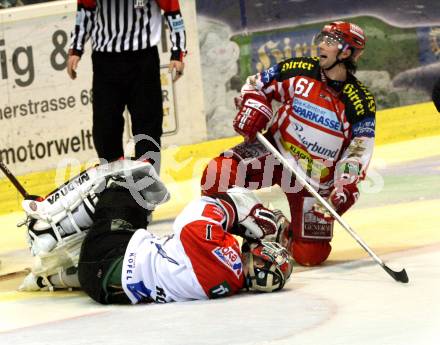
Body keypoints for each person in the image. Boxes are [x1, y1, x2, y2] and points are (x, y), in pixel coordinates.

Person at [201, 21, 376, 267]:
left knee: (310, 256)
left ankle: (280, 231)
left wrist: (344, 188)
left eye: (331, 41)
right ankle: (246, 229)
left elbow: (357, 152)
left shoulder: (360, 103)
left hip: (313, 179)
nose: (321, 45)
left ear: (346, 52)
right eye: (322, 39)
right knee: (217, 174)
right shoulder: (299, 68)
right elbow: (255, 85)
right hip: (275, 154)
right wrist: (253, 105)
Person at [19, 160, 294, 304]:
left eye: (270, 253)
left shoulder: (228, 260)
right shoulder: (228, 283)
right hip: (104, 286)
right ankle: (49, 278)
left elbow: (193, 216)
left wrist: (243, 213)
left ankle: (45, 228)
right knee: (144, 234)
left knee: (130, 181)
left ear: (259, 263)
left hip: (107, 256)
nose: (266, 248)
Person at [67, 0, 187, 163]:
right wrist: (76, 48)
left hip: (143, 60)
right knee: (105, 127)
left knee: (148, 126)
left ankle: (147, 182)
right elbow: (85, 11)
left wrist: (178, 52)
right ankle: (114, 179)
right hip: (105, 61)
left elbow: (172, 10)